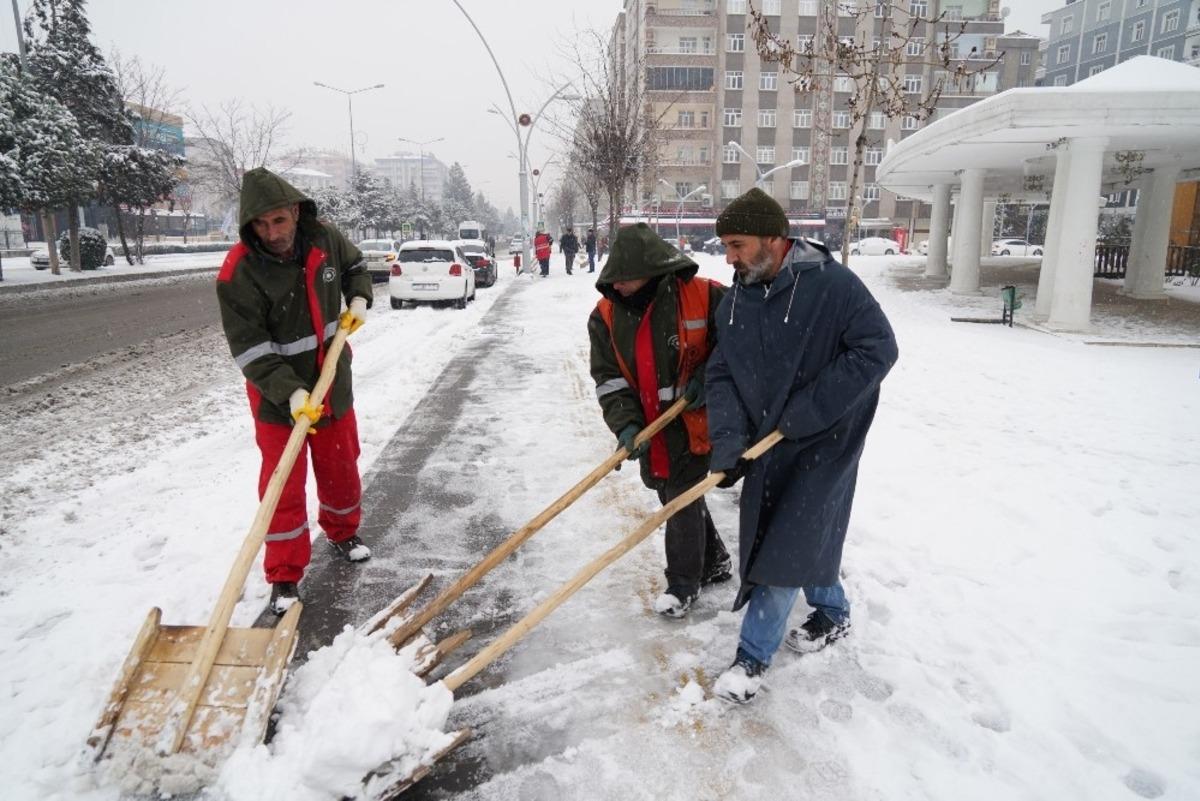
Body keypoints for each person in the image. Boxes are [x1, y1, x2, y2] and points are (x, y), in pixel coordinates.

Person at [704, 188, 898, 704]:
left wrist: (805, 413)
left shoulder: (833, 286)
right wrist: (728, 442)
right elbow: (722, 374)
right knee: (799, 537)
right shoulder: (739, 299)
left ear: (774, 239)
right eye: (726, 246)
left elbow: (878, 348)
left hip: (826, 441)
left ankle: (751, 659)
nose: (729, 258)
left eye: (737, 245)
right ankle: (832, 610)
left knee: (786, 546)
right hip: (768, 444)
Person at [216, 167, 374, 616]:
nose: (272, 234)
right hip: (276, 397)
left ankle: (343, 533)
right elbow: (250, 348)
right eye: (261, 225)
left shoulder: (324, 239)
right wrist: (289, 393)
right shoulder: (238, 272)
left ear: (296, 212)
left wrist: (359, 297)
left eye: (279, 221)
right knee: (282, 484)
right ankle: (284, 575)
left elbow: (356, 266)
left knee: (341, 466)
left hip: (331, 381)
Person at [588, 223, 733, 619]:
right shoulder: (605, 316)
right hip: (653, 425)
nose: (617, 285)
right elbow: (610, 380)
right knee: (675, 495)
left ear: (651, 270)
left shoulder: (705, 296)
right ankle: (714, 560)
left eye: (626, 277)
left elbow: (740, 341)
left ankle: (682, 585)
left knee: (680, 498)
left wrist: (710, 375)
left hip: (696, 421)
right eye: (614, 277)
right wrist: (626, 425)